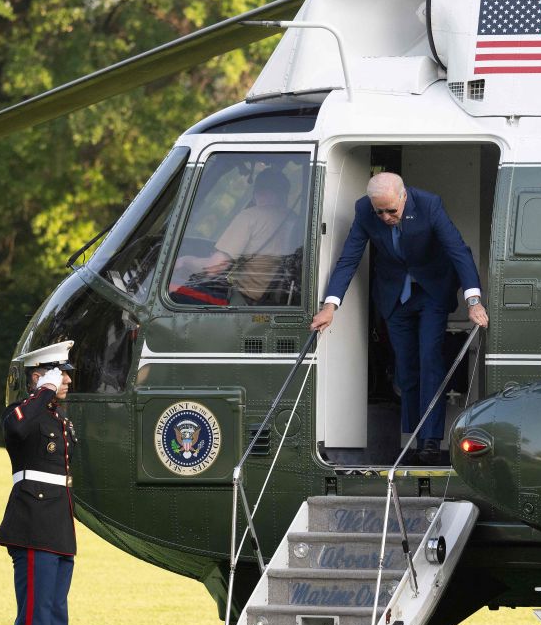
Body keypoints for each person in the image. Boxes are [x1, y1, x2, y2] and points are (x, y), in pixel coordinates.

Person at [311, 172, 488, 465]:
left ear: (403, 196)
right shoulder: (365, 210)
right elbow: (349, 258)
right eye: (379, 211)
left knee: (429, 358)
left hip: (431, 290)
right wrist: (330, 305)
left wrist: (473, 301)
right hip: (395, 295)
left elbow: (459, 251)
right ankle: (413, 435)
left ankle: (429, 441)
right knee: (405, 368)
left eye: (391, 210)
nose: (385, 216)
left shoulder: (429, 204)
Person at [0, 340, 77, 625]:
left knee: (56, 619)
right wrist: (44, 389)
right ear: (39, 376)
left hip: (57, 526)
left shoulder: (58, 420)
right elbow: (16, 429)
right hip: (32, 524)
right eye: (61, 372)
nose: (68, 380)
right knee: (35, 619)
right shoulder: (23, 413)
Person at [171, 169, 302, 305]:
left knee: (174, 295)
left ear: (258, 192)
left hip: (242, 301)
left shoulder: (251, 216)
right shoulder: (294, 220)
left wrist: (184, 261)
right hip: (269, 301)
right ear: (285, 194)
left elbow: (213, 268)